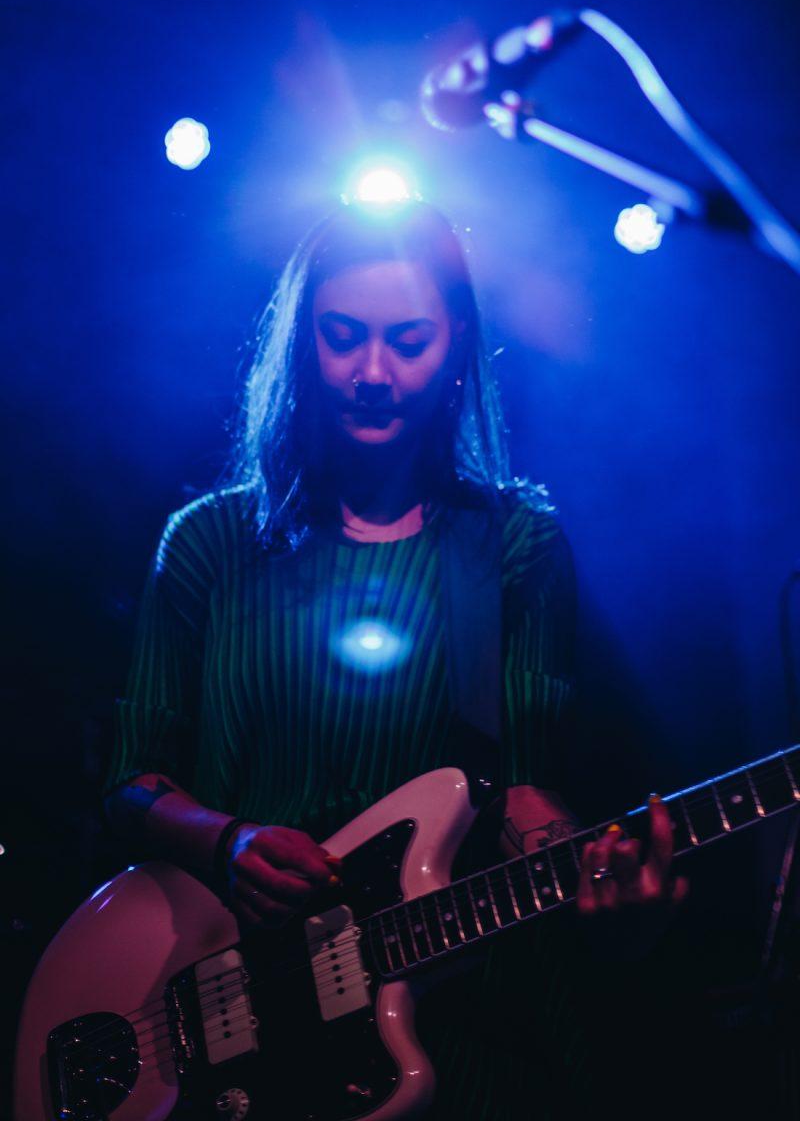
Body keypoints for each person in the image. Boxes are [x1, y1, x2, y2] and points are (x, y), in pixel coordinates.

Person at [104, 199, 685, 1119]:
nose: (373, 372)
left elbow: (521, 795)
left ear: (456, 347)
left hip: (465, 1031)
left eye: (407, 340)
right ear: (303, 344)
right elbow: (131, 783)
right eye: (343, 337)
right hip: (247, 1019)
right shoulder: (210, 543)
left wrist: (597, 886)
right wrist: (231, 841)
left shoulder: (511, 547)